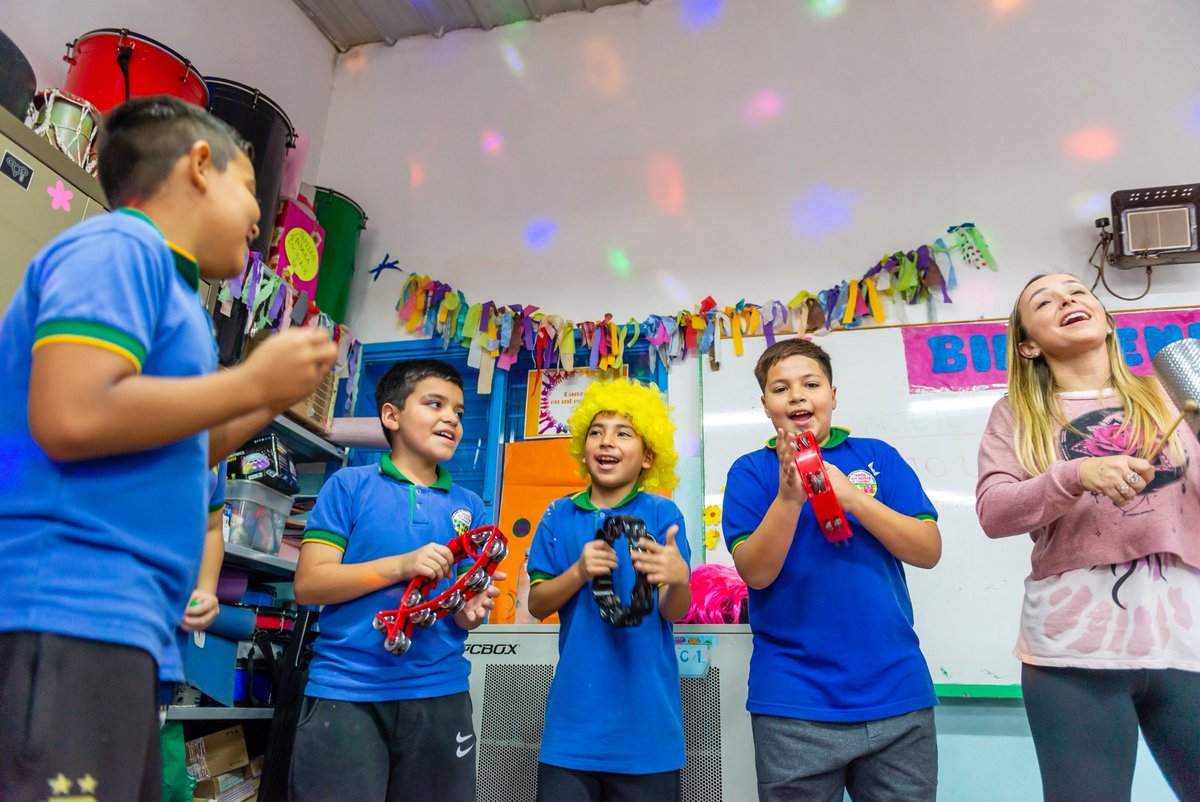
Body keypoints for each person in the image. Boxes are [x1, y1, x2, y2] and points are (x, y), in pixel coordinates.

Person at [0, 95, 337, 802]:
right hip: (63, 610)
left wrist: (266, 397)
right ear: (199, 165)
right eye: (252, 189)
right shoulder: (119, 248)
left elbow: (190, 447)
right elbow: (72, 413)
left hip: (125, 628)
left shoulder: (181, 298)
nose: (263, 220)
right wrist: (247, 377)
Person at [976, 273, 1200, 802]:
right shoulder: (1018, 415)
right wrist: (1075, 476)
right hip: (1073, 654)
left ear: (1107, 319)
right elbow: (992, 512)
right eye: (1045, 300)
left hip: (1186, 641)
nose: (1068, 300)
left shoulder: (1171, 396)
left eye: (1078, 291)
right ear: (1028, 343)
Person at [723, 337, 942, 802]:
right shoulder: (749, 472)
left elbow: (927, 550)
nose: (797, 395)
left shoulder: (877, 457)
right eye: (780, 388)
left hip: (897, 694)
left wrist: (852, 497)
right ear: (765, 405)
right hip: (792, 704)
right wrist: (788, 497)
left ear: (833, 395)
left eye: (811, 383)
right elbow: (755, 574)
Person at [290, 359, 502, 802]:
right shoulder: (350, 486)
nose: (452, 418)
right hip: (347, 693)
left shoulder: (468, 507)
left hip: (441, 694)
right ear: (392, 415)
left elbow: (456, 609)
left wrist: (469, 612)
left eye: (459, 412)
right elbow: (310, 584)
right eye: (435, 404)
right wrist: (402, 565)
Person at [527, 377, 692, 802]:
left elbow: (674, 612)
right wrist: (578, 572)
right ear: (583, 449)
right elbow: (538, 603)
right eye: (596, 432)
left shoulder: (663, 511)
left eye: (623, 433)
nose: (607, 442)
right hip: (572, 731)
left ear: (648, 456)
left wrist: (679, 577)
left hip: (648, 732)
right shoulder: (557, 514)